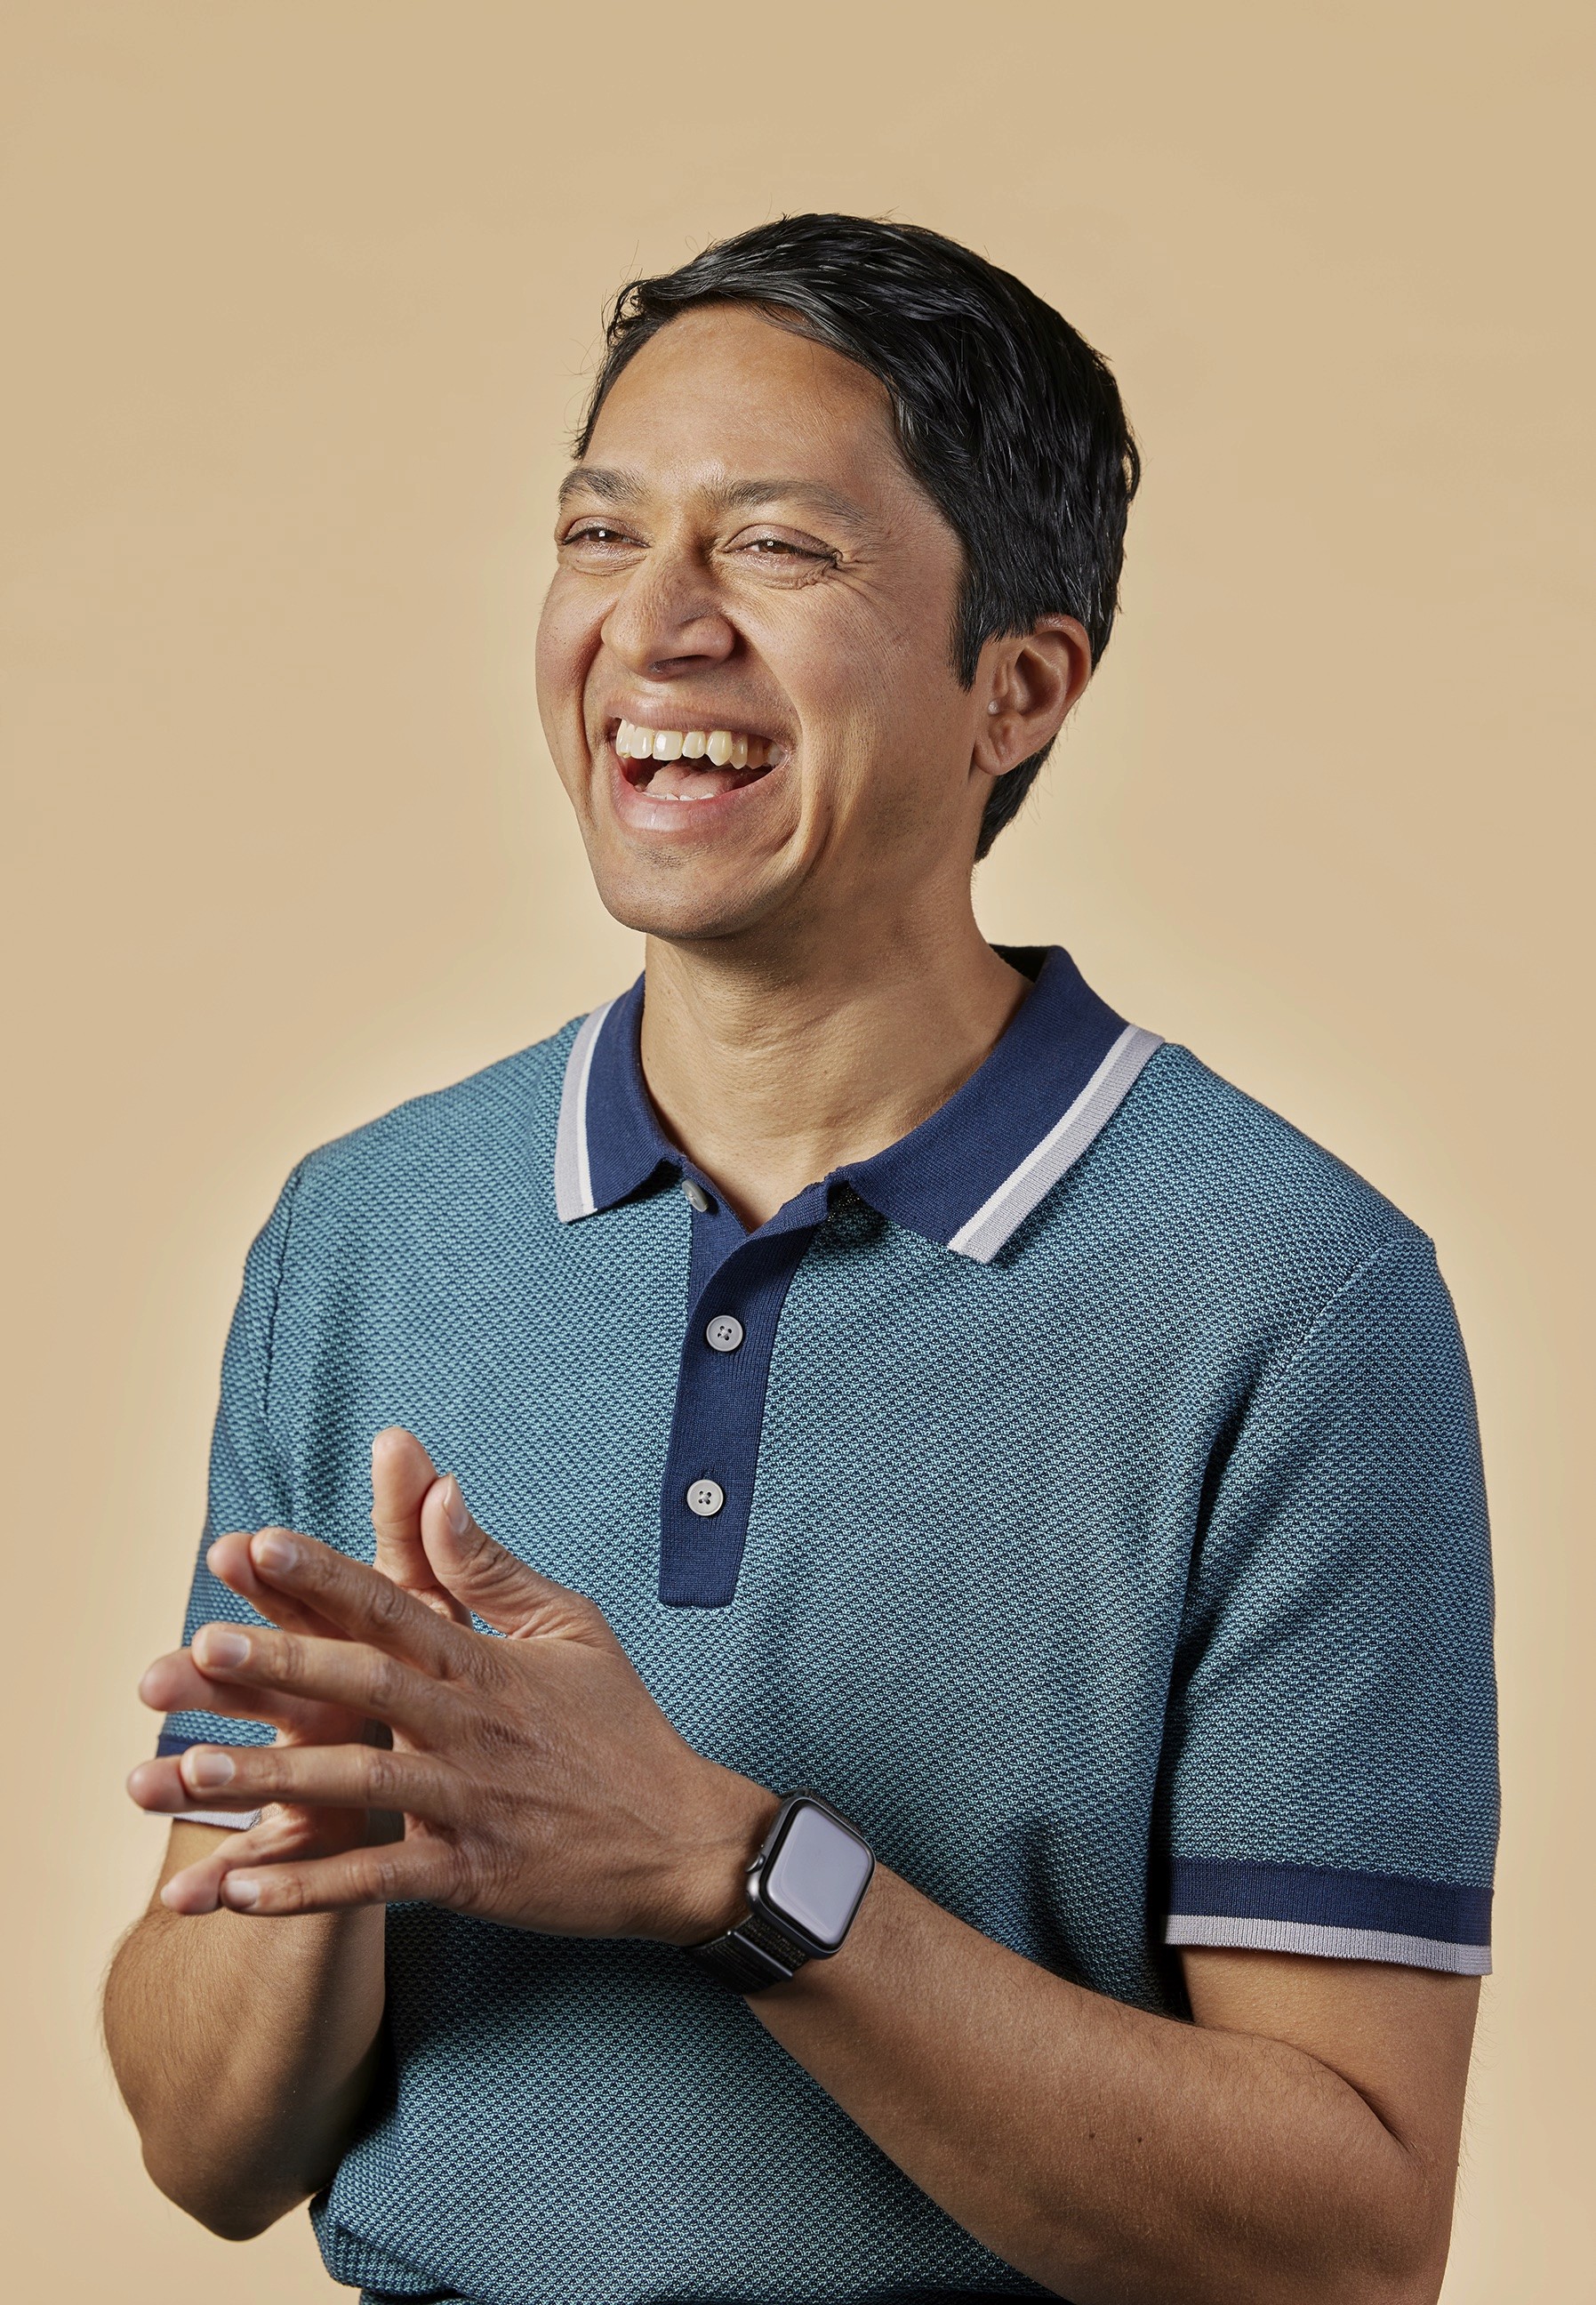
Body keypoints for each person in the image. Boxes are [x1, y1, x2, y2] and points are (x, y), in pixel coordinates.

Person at [104, 214, 1497, 2305]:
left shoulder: (1294, 1299)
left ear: (1015, 690)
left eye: (778, 549)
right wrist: (345, 1840)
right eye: (599, 535)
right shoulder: (366, 1229)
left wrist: (726, 1873)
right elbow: (204, 2152)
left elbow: (1345, 2240)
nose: (653, 629)